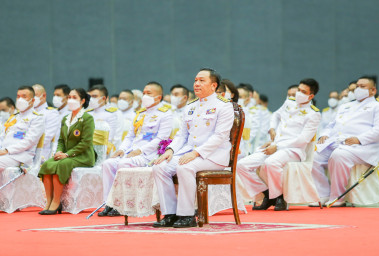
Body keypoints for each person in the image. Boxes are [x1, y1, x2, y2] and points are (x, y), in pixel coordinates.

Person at [152, 68, 234, 228]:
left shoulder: (224, 106)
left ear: (213, 85)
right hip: (189, 153)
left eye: (202, 80)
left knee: (185, 167)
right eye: (196, 80)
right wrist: (170, 151)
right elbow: (181, 136)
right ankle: (170, 213)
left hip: (213, 156)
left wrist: (196, 153)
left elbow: (220, 137)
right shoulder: (191, 106)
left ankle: (187, 215)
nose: (197, 84)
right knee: (159, 167)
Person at [237, 79, 321, 211]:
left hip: (293, 150)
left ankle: (281, 197)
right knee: (242, 165)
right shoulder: (289, 102)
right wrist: (272, 128)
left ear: (311, 96)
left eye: (303, 92)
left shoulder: (313, 114)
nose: (299, 93)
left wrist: (278, 146)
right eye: (299, 90)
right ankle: (267, 194)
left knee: (271, 163)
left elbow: (303, 140)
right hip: (275, 146)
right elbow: (275, 115)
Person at [98, 81, 173, 217]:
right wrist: (121, 149)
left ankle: (121, 205)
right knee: (108, 164)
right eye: (144, 93)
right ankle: (108, 203)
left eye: (149, 93)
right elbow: (130, 136)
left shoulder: (165, 114)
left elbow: (161, 139)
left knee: (123, 164)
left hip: (149, 155)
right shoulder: (140, 113)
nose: (145, 96)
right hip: (131, 152)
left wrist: (141, 151)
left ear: (158, 97)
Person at [312, 76, 379, 206]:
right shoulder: (345, 106)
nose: (358, 89)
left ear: (373, 90)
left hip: (361, 147)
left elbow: (378, 130)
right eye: (357, 86)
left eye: (363, 87)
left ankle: (337, 197)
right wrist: (324, 135)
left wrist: (359, 139)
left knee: (339, 156)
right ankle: (323, 194)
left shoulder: (376, 106)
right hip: (336, 142)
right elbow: (331, 125)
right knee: (314, 156)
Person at [38, 88, 95, 215]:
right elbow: (61, 140)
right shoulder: (65, 118)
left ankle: (56, 202)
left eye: (74, 98)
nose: (70, 100)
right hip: (66, 154)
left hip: (83, 156)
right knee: (48, 164)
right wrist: (58, 152)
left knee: (62, 164)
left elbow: (86, 142)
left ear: (82, 101)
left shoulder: (87, 118)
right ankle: (49, 201)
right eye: (69, 97)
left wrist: (67, 154)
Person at [0, 86, 45, 169]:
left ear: (33, 100)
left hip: (20, 157)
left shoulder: (37, 118)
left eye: (24, 96)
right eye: (18, 96)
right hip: (4, 154)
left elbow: (28, 141)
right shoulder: (13, 117)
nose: (20, 99)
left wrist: (6, 150)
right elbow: (2, 137)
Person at [32, 84, 61, 161]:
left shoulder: (51, 113)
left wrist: (27, 146)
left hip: (43, 152)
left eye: (35, 95)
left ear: (44, 95)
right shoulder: (28, 113)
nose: (32, 98)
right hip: (25, 150)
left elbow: (47, 137)